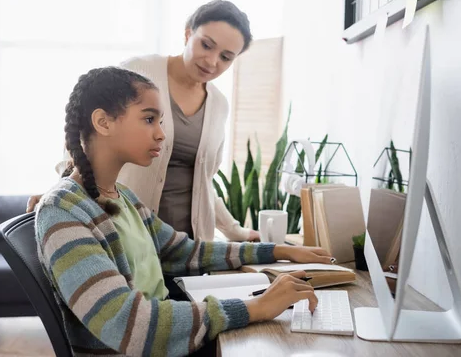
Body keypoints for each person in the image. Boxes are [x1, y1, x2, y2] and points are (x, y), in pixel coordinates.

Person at [36, 66, 334, 356]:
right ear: (103, 122)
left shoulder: (122, 196)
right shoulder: (63, 211)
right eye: (149, 119)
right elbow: (127, 323)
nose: (161, 134)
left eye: (160, 121)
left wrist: (279, 250)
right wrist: (255, 307)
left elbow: (186, 252)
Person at [29, 0, 260, 242]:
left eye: (225, 57)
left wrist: (236, 231)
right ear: (188, 32)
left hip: (187, 247)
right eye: (206, 45)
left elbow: (203, 184)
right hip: (126, 235)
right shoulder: (139, 73)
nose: (212, 61)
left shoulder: (219, 104)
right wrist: (61, 193)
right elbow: (85, 135)